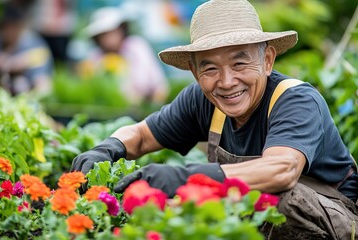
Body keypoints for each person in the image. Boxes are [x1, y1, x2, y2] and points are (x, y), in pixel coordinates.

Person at [71, 0, 358, 239]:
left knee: (274, 196)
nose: (226, 81)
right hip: (257, 226)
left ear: (267, 60)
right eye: (209, 68)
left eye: (239, 63)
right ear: (195, 74)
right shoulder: (203, 99)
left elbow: (282, 169)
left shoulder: (295, 100)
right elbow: (143, 135)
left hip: (336, 220)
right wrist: (107, 147)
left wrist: (185, 178)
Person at [80, 7, 170, 105]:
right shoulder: (95, 57)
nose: (109, 39)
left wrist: (152, 107)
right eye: (104, 35)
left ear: (122, 30)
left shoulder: (136, 47)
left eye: (112, 32)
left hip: (144, 106)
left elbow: (159, 85)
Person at [0, 2, 53, 96]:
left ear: (20, 26)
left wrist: (19, 62)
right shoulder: (0, 40)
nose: (9, 32)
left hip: (27, 90)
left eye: (12, 27)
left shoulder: (33, 42)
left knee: (21, 83)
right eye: (6, 27)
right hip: (3, 89)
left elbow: (43, 81)